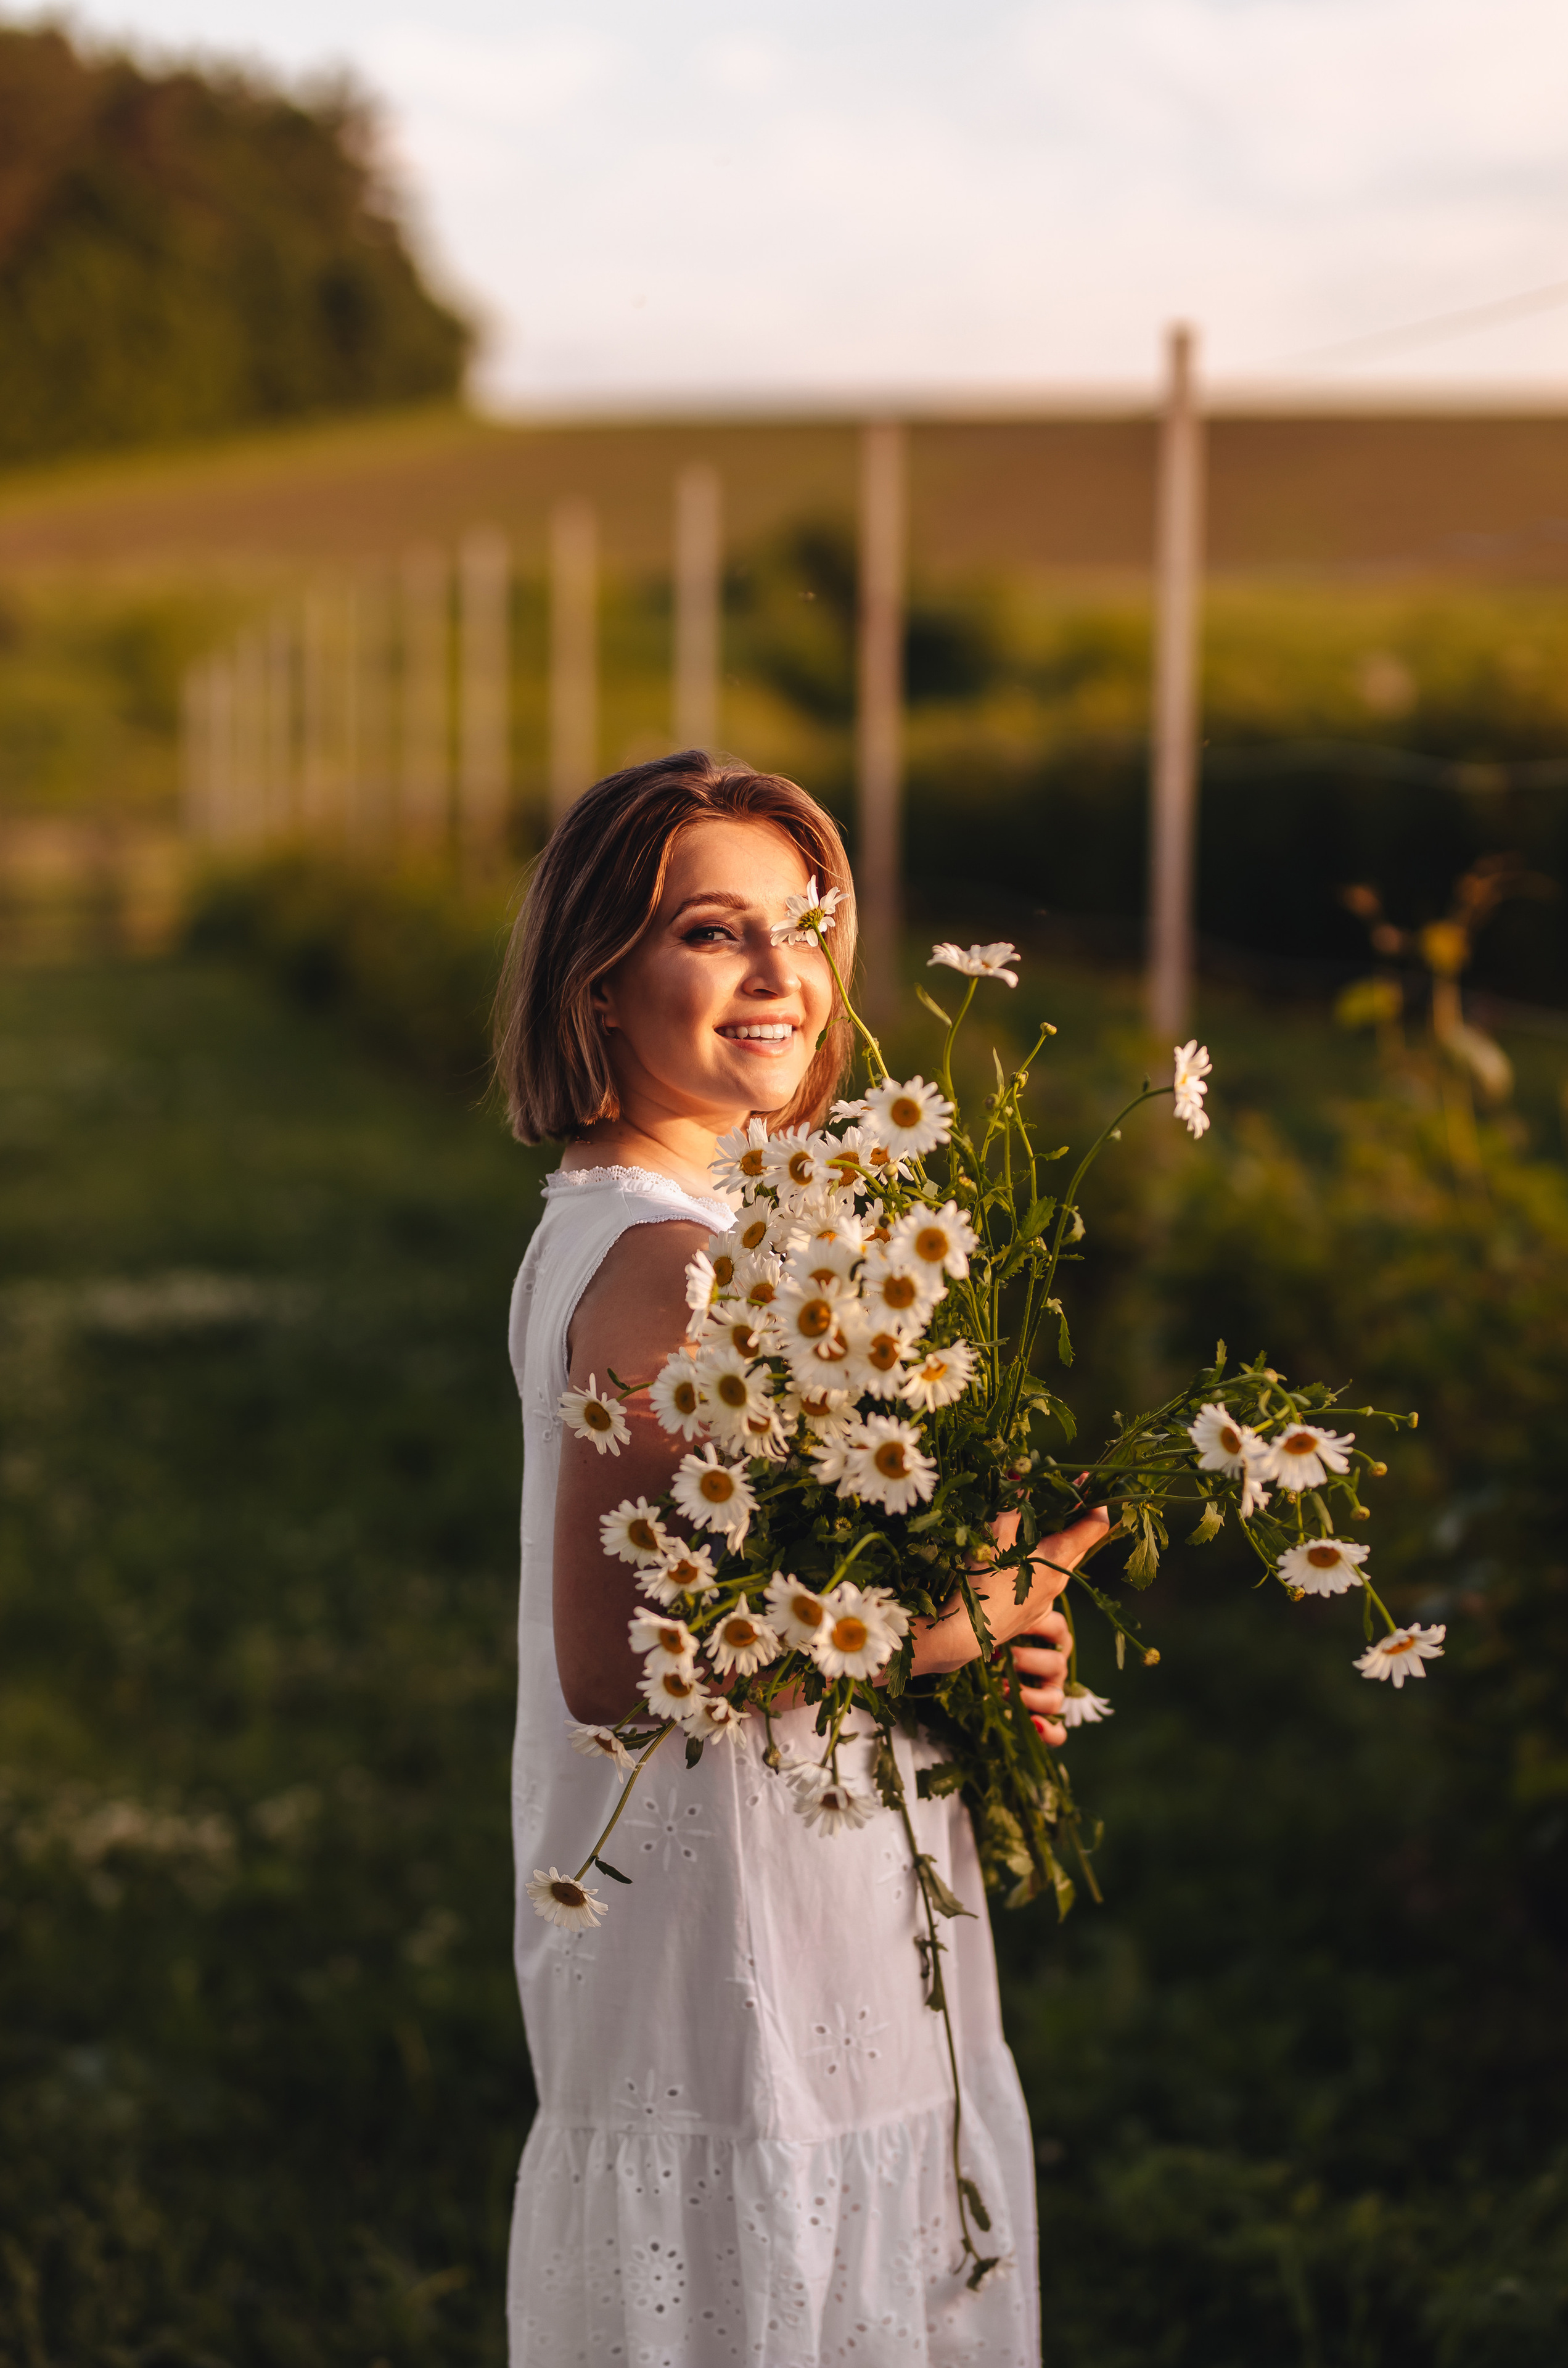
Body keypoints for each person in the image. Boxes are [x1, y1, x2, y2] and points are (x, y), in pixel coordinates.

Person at [493, 753, 1109, 2366]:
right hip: (734, 1929)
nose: (780, 976)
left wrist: (974, 1667)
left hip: (818, 1867)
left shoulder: (703, 1221)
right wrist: (964, 1617)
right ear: (601, 981)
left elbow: (804, 1560)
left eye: (803, 925)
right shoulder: (660, 1256)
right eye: (714, 931)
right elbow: (619, 1664)